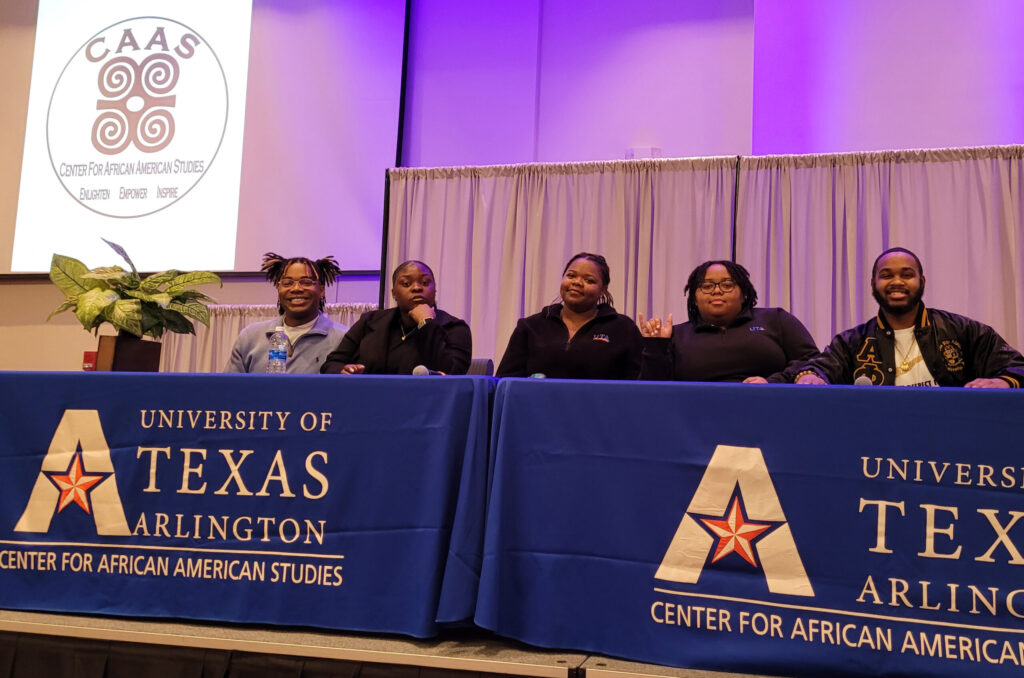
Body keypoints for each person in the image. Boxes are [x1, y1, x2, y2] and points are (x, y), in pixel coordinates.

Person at [795, 247, 1024, 387]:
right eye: (886, 275)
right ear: (873, 284)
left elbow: (1017, 366)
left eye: (907, 275)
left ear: (921, 282)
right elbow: (818, 368)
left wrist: (1002, 381)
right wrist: (810, 377)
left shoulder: (963, 330)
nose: (897, 281)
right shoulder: (851, 342)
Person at [638, 260, 818, 383]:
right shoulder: (676, 336)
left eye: (727, 285)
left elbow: (813, 361)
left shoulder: (775, 320)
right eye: (707, 286)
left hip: (769, 408)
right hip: (696, 418)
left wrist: (772, 382)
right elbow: (652, 391)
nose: (717, 291)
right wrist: (656, 346)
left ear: (744, 293)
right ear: (694, 297)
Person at [495, 252, 642, 379]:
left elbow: (637, 385)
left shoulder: (623, 328)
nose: (577, 282)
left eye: (589, 280)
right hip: (538, 410)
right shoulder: (530, 326)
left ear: (603, 290)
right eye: (571, 275)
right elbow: (505, 381)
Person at [321, 260, 471, 375]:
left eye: (425, 283)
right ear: (394, 293)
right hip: (370, 404)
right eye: (406, 283)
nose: (417, 288)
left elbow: (453, 374)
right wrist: (344, 370)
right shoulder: (370, 322)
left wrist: (427, 324)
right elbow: (331, 364)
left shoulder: (454, 328)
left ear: (435, 290)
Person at [225, 253, 348, 373]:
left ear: (321, 290)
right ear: (279, 290)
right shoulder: (250, 337)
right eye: (287, 283)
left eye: (306, 282)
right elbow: (228, 389)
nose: (296, 289)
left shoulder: (342, 339)